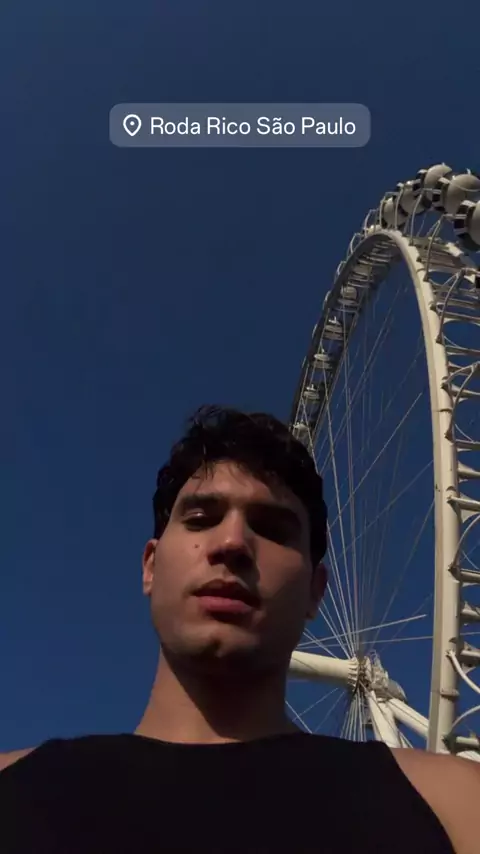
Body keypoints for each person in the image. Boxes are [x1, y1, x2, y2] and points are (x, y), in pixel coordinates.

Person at [0, 405, 478, 853]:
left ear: (316, 590)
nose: (232, 543)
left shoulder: (456, 804)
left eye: (272, 529)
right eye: (201, 519)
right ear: (150, 565)